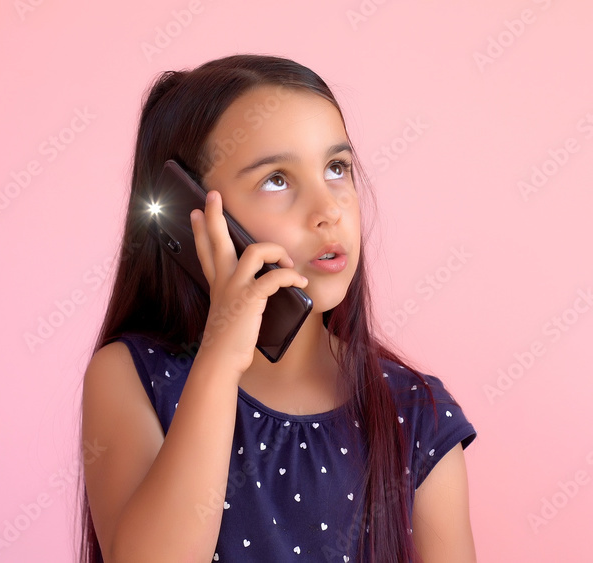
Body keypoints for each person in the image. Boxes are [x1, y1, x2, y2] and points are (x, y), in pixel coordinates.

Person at [78, 53, 478, 563]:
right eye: (277, 180)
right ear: (188, 214)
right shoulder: (133, 376)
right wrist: (220, 358)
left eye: (337, 168)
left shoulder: (416, 412)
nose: (328, 210)